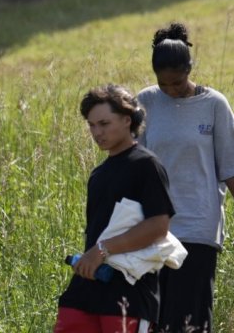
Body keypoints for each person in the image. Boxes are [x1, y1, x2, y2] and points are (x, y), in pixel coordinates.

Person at [137, 23, 234, 333]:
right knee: (155, 318)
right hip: (154, 225)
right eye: (164, 85)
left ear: (190, 69)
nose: (172, 90)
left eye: (178, 82)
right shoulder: (145, 102)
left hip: (199, 223)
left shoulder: (214, 104)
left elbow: (232, 166)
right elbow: (134, 164)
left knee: (193, 318)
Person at [55, 85, 175, 332]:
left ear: (126, 120)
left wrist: (101, 251)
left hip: (130, 291)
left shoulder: (147, 165)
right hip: (88, 285)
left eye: (104, 123)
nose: (97, 132)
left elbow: (158, 226)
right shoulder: (98, 173)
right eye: (91, 125)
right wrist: (94, 256)